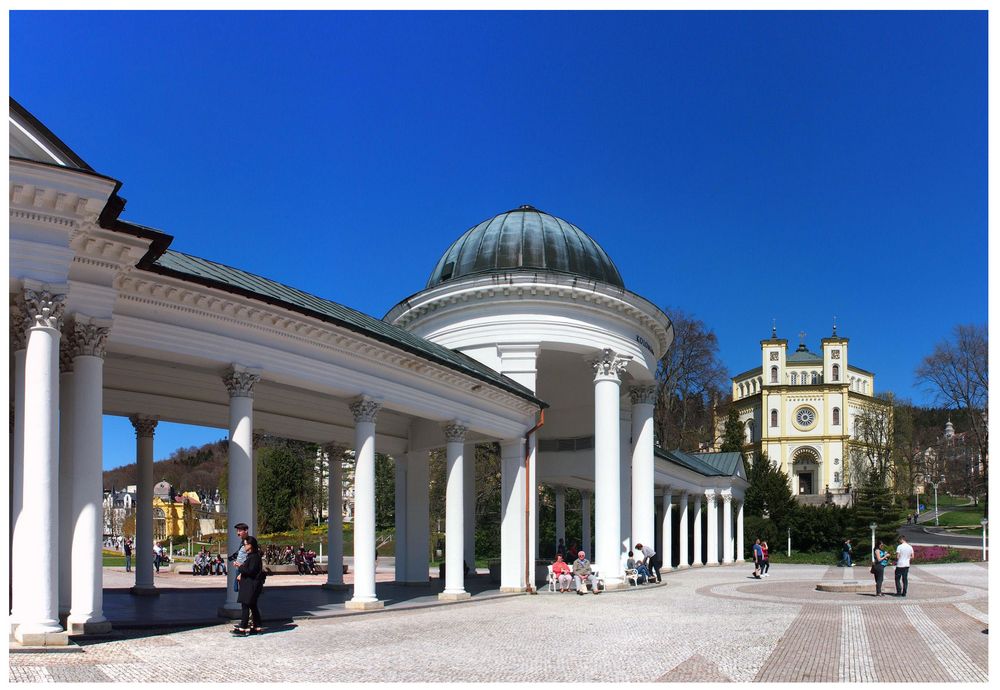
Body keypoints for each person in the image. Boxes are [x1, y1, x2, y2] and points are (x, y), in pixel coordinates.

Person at [232, 536, 265, 636]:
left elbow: (250, 571)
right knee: (252, 606)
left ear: (250, 545)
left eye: (245, 544)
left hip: (250, 585)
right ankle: (257, 627)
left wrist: (239, 567)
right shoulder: (253, 556)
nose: (244, 546)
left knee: (245, 605)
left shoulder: (254, 557)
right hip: (251, 585)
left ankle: (242, 628)